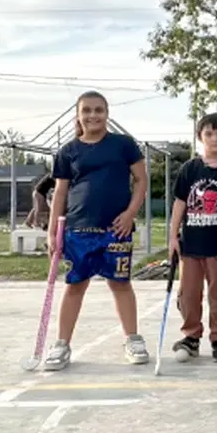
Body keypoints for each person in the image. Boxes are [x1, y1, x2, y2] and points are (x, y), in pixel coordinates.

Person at [44, 90, 149, 370]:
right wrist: (52, 232)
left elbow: (141, 180)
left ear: (107, 113)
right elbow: (60, 193)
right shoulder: (68, 151)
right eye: (87, 110)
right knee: (75, 285)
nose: (93, 115)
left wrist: (130, 214)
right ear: (78, 115)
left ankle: (133, 339)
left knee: (121, 283)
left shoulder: (123, 145)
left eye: (99, 110)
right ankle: (61, 344)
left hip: (117, 229)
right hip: (78, 230)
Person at [168, 112, 217, 363]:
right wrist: (173, 236)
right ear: (200, 137)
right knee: (189, 293)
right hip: (191, 243)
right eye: (209, 134)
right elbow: (180, 203)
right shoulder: (190, 168)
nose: (214, 139)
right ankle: (191, 335)